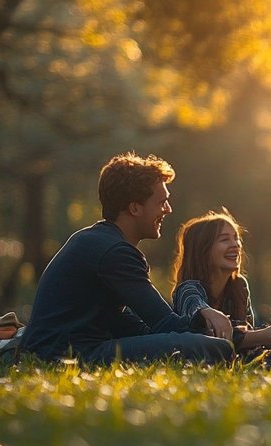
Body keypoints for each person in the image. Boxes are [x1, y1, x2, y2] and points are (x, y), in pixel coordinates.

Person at [20, 152, 233, 365]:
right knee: (213, 348)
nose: (168, 209)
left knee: (195, 342)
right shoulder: (115, 252)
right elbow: (166, 325)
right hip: (71, 355)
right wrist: (203, 312)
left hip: (59, 349)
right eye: (161, 202)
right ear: (135, 208)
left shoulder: (97, 240)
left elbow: (132, 325)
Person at [170, 210, 271, 353]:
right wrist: (206, 311)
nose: (236, 245)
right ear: (203, 250)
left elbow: (247, 341)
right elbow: (195, 308)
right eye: (224, 239)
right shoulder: (187, 289)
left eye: (236, 238)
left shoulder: (239, 286)